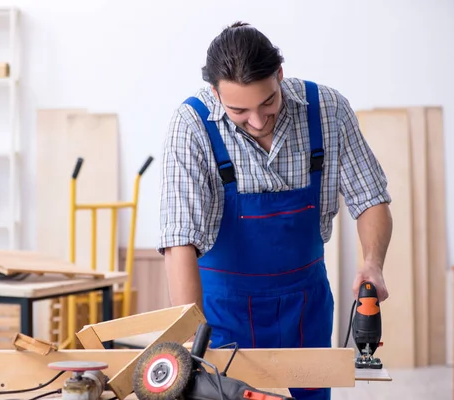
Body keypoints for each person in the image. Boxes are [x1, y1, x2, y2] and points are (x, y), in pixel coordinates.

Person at [157, 21, 393, 400]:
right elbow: (179, 240)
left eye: (267, 101)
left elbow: (370, 199)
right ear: (216, 93)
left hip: (305, 308)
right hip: (222, 314)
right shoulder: (191, 125)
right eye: (239, 110)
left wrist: (373, 263)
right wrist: (189, 344)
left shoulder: (327, 110)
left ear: (279, 75)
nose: (257, 120)